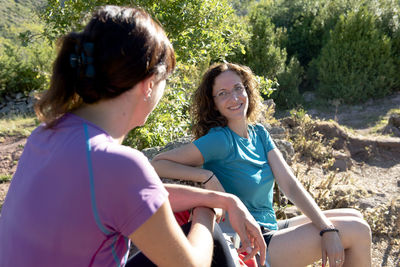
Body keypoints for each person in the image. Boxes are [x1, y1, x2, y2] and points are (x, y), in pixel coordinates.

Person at [0, 8, 267, 267]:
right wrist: (206, 213)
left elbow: (142, 195)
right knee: (212, 240)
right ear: (149, 84)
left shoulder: (45, 135)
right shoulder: (118, 164)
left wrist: (221, 198)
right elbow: (192, 264)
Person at [151, 62, 372, 267]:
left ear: (247, 90)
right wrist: (206, 176)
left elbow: (290, 185)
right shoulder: (219, 140)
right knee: (358, 230)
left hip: (271, 227)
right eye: (223, 93)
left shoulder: (259, 133)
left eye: (238, 88)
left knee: (355, 216)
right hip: (251, 242)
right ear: (214, 104)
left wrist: (326, 228)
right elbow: (158, 163)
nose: (234, 97)